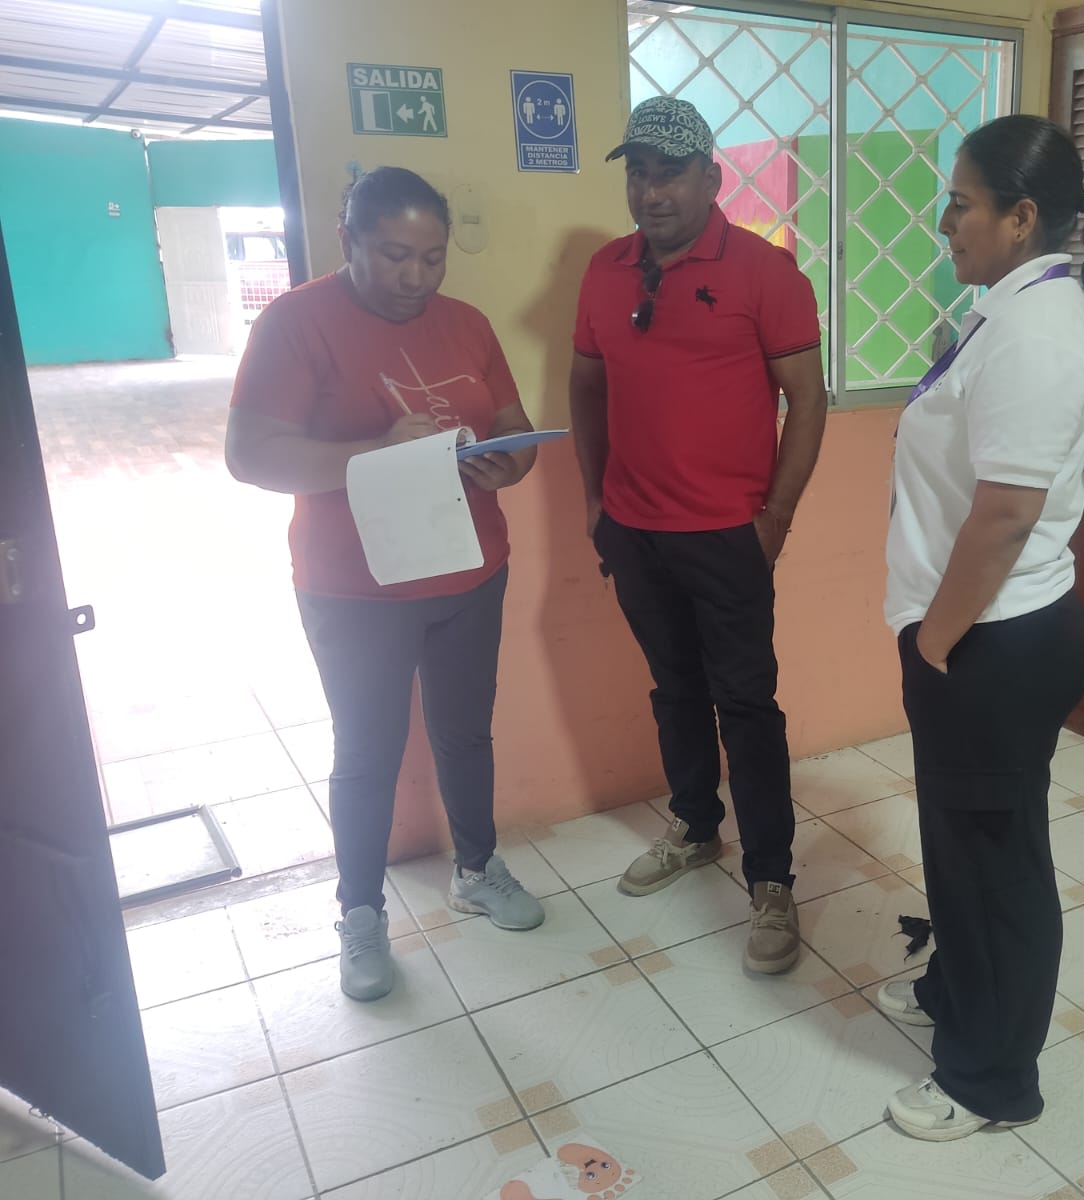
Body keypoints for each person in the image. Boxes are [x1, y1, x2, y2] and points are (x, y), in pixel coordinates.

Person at [225, 166, 546, 1002]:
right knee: (366, 753)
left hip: (470, 569)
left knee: (465, 733)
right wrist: (374, 454)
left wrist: (509, 460)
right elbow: (250, 456)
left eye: (433, 258)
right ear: (349, 241)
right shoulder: (296, 323)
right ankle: (361, 913)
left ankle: (476, 868)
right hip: (355, 588)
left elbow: (512, 426)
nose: (416, 277)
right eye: (396, 255)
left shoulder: (468, 324)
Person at [875, 114, 1084, 1140]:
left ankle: (990, 1080)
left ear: (1021, 218)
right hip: (978, 634)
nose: (944, 223)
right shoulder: (1011, 307)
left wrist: (935, 641)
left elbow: (1007, 516)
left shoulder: (1036, 334)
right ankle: (954, 996)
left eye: (961, 204)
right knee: (961, 850)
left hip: (991, 643)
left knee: (997, 868)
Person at [568, 97, 828, 974]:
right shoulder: (604, 271)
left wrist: (775, 518)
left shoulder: (765, 272)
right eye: (638, 173)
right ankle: (694, 826)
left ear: (711, 177)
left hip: (727, 538)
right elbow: (586, 388)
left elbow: (808, 401)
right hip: (634, 532)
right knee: (674, 689)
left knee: (746, 705)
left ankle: (772, 878)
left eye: (669, 172)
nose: (650, 190)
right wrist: (596, 501)